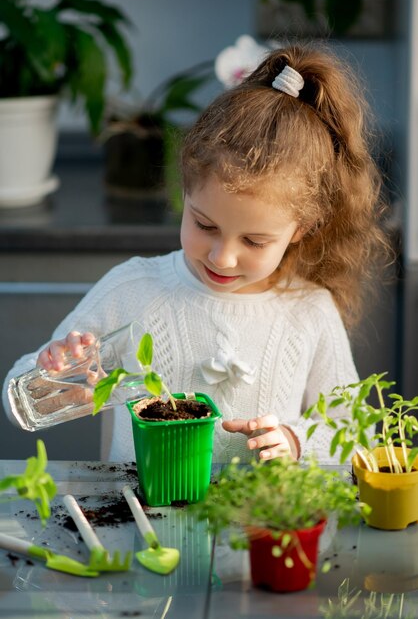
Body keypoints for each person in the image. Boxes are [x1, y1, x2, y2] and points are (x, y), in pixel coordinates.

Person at [3, 42, 391, 464]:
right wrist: (54, 376)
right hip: (139, 523)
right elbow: (19, 401)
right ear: (184, 192)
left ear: (302, 229)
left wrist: (295, 441)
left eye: (254, 242)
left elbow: (355, 434)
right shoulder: (132, 289)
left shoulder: (309, 311)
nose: (222, 257)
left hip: (261, 524)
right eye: (205, 225)